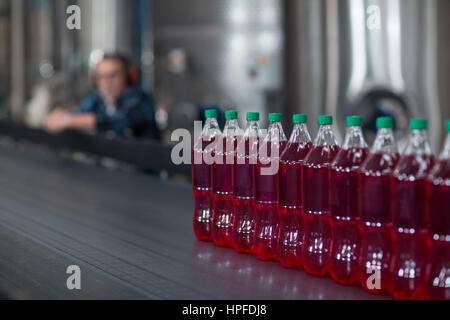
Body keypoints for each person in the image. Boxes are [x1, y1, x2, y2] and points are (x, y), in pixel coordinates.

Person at [44, 52, 160, 140]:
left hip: (139, 170)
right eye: (100, 77)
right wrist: (63, 114)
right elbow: (78, 111)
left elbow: (119, 121)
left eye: (112, 76)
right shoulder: (98, 100)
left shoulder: (140, 100)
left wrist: (68, 121)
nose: (105, 83)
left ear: (128, 77)